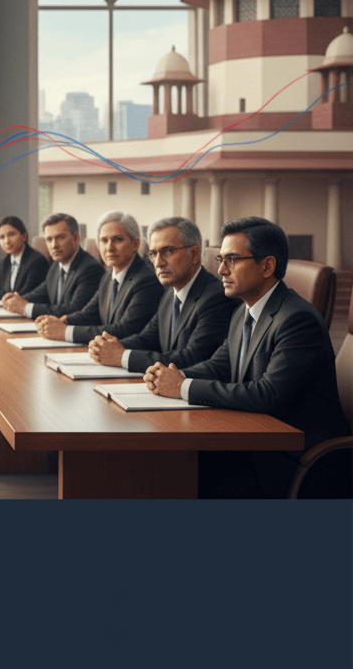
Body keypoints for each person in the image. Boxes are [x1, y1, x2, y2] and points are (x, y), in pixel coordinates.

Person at [144, 216, 350, 498]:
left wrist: (181, 387)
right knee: (165, 464)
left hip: (296, 459)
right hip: (257, 441)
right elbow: (220, 364)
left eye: (232, 260)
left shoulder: (297, 320)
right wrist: (169, 377)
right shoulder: (244, 309)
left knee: (175, 473)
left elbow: (267, 394)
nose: (220, 270)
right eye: (220, 259)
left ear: (267, 266)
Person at [89, 216, 237, 372]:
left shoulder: (216, 298)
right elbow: (148, 339)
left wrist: (121, 356)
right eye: (153, 253)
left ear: (194, 254)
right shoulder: (169, 292)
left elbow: (193, 357)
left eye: (167, 251)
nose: (158, 263)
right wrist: (110, 346)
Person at [33, 210, 161, 343]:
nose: (109, 248)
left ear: (135, 244)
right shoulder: (108, 276)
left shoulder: (146, 280)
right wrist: (62, 321)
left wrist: (65, 332)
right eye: (104, 240)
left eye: (118, 239)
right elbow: (89, 314)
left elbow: (125, 329)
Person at [2, 212, 103, 319]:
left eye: (60, 237)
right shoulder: (56, 265)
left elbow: (75, 309)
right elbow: (40, 294)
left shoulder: (90, 269)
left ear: (76, 238)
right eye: (49, 239)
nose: (54, 245)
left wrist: (26, 308)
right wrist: (15, 299)